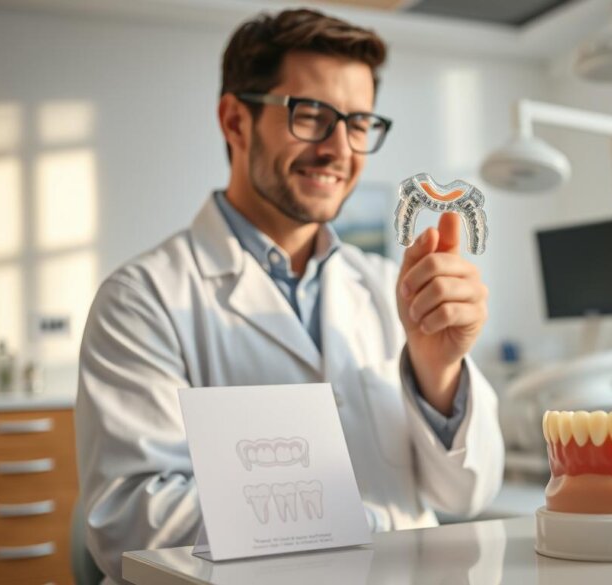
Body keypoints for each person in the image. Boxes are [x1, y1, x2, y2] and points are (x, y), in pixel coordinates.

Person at [74, 9, 503, 583]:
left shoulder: (384, 286)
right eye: (312, 116)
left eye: (358, 123)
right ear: (235, 120)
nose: (339, 148)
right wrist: (354, 526)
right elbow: (131, 521)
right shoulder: (142, 299)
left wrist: (438, 369)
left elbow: (468, 492)